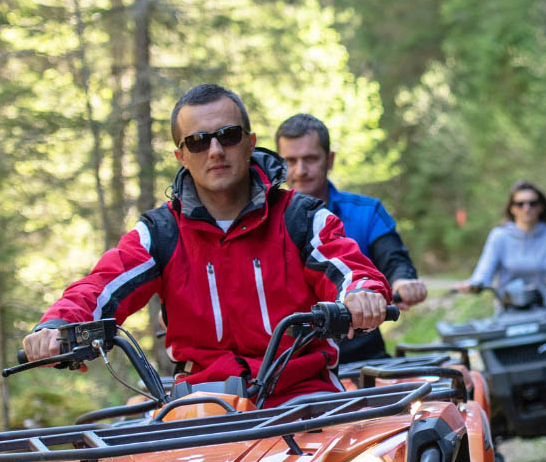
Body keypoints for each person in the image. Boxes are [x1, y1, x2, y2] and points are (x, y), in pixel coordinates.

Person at [23, 84, 390, 406]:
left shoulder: (301, 218)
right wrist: (58, 325)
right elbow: (100, 285)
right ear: (181, 155)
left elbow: (350, 269)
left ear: (249, 143)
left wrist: (362, 295)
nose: (215, 150)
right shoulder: (160, 232)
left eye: (227, 135)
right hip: (201, 405)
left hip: (303, 398)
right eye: (198, 141)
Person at [275, 112, 426, 361]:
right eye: (290, 161)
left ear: (330, 160)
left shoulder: (367, 213)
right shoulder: (263, 223)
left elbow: (394, 261)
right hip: (290, 365)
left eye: (310, 159)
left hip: (362, 356)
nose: (300, 170)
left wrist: (402, 282)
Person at [459, 181, 546, 293]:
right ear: (512, 208)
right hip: (509, 310)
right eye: (520, 204)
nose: (527, 208)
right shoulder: (499, 236)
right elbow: (484, 271)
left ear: (541, 207)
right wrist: (473, 284)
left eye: (532, 203)